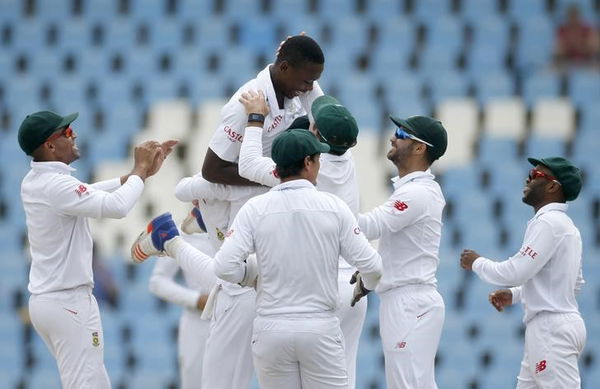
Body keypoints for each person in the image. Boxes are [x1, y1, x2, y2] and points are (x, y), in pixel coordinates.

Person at [131, 128, 383, 388]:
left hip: (270, 327)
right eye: (318, 159)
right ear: (308, 163)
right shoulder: (334, 206)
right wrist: (364, 286)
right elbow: (373, 266)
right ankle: (180, 237)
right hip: (318, 326)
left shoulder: (255, 207)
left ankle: (179, 238)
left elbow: (224, 266)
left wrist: (252, 274)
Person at [181, 34, 325, 389]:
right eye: (306, 80)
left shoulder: (293, 88)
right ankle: (173, 240)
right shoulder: (244, 103)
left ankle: (175, 240)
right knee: (237, 299)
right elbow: (213, 170)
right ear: (285, 68)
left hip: (256, 209)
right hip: (233, 209)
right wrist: (276, 179)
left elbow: (322, 102)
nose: (309, 88)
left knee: (254, 310)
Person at [17, 110, 175, 388]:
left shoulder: (37, 180)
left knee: (95, 382)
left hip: (52, 301)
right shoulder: (54, 185)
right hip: (68, 303)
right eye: (66, 132)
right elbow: (116, 207)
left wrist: (138, 175)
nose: (74, 134)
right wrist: (139, 170)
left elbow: (86, 191)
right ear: (50, 146)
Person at [232, 90, 366, 389]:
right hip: (352, 289)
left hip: (317, 288)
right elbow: (326, 115)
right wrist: (310, 79)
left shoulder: (308, 168)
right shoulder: (345, 153)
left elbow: (249, 164)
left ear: (315, 135)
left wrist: (256, 118)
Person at [460, 157, 586, 388]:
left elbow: (515, 271)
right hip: (552, 326)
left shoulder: (549, 223)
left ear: (552, 186)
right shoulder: (567, 226)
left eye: (537, 175)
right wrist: (518, 294)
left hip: (551, 328)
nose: (528, 177)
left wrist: (476, 262)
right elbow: (572, 284)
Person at [352, 115, 448, 388]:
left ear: (420, 148)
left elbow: (370, 226)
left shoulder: (418, 193)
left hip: (410, 301)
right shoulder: (414, 190)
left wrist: (323, 212)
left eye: (402, 133)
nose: (393, 137)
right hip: (404, 300)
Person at [148, 230, 215, 389]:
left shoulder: (236, 224)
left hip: (233, 321)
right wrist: (195, 299)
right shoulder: (180, 233)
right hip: (197, 323)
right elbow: (157, 282)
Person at [554, 4, 599, 68]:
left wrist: (579, 45)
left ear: (579, 16)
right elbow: (559, 49)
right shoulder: (562, 30)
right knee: (557, 51)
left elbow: (593, 47)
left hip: (586, 59)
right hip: (567, 60)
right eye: (571, 16)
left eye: (575, 16)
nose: (573, 19)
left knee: (596, 44)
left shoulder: (587, 29)